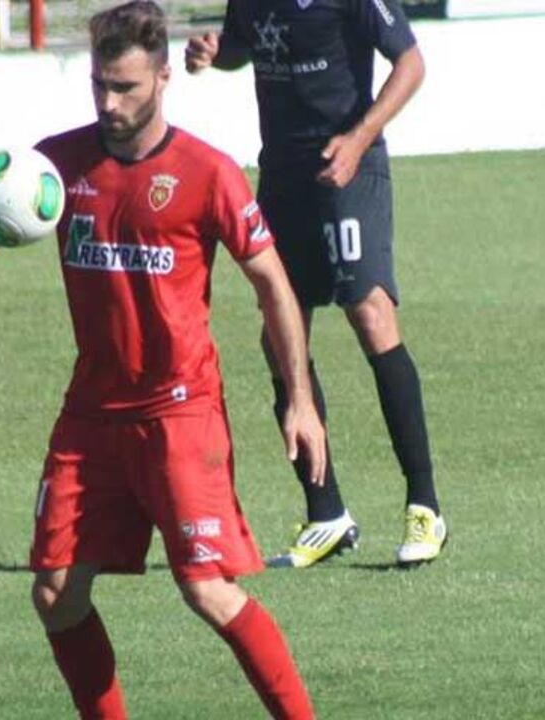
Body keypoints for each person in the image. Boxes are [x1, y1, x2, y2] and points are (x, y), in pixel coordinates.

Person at [0, 3, 325, 716]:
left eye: (126, 88)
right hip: (91, 417)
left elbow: (272, 282)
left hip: (180, 412)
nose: (109, 104)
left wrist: (297, 398)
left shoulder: (207, 173)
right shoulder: (53, 167)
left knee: (206, 591)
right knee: (55, 594)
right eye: (98, 86)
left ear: (161, 78)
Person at [184, 0, 446, 568]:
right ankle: (327, 513)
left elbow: (411, 64)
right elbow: (247, 46)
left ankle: (425, 506)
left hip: (348, 165)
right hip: (283, 171)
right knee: (278, 335)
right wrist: (215, 53)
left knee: (370, 313)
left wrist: (358, 139)